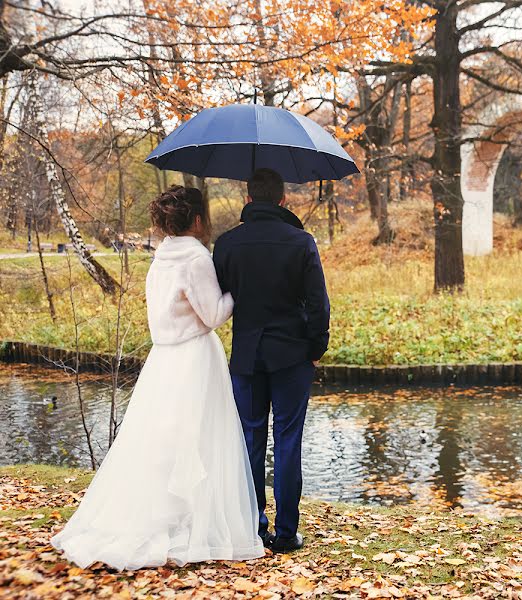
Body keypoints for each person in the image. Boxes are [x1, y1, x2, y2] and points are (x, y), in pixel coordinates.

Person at [51, 186, 264, 570]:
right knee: (200, 439)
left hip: (163, 358)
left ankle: (171, 514)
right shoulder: (197, 258)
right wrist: (239, 292)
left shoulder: (162, 256)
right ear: (198, 220)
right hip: (195, 359)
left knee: (163, 442)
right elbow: (214, 314)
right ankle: (194, 523)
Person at [213, 168, 330, 554]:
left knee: (249, 439)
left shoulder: (227, 244)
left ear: (248, 200)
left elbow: (222, 299)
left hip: (247, 356)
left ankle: (253, 527)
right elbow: (319, 305)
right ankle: (285, 533)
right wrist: (316, 348)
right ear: (283, 200)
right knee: (287, 440)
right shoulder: (301, 242)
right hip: (293, 355)